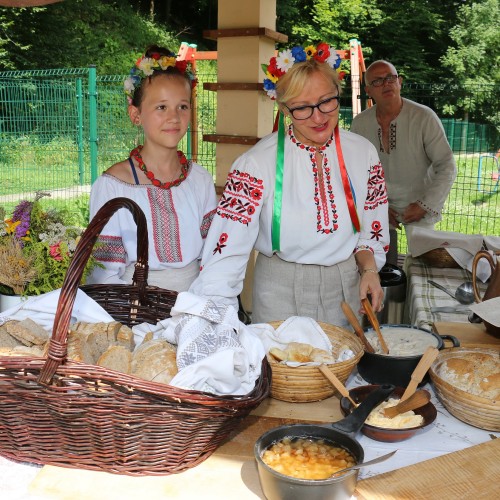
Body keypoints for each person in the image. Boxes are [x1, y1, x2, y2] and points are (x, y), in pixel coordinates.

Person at [183, 42, 390, 325]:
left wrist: (369, 271)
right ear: (283, 108)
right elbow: (228, 252)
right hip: (279, 291)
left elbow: (371, 231)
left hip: (346, 288)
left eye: (326, 101)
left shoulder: (363, 153)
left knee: (342, 366)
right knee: (282, 368)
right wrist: (213, 317)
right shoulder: (255, 164)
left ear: (337, 93)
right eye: (302, 108)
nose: (318, 117)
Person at [88, 45, 217, 292]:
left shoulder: (199, 180)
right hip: (133, 310)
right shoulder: (113, 186)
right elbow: (102, 274)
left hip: (195, 303)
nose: (174, 117)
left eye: (183, 106)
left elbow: (212, 257)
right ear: (135, 114)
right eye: (161, 107)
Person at [350, 60, 457, 266]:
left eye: (391, 78)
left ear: (400, 82)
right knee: (381, 268)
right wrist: (376, 206)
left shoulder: (424, 117)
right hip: (379, 207)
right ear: (368, 90)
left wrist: (424, 205)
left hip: (419, 207)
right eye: (378, 81)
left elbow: (447, 166)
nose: (387, 84)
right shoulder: (360, 123)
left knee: (425, 266)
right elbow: (354, 171)